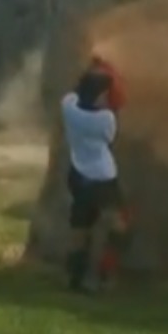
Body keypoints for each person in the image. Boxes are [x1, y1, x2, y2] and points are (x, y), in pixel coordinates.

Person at [62, 58, 125, 294]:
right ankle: (103, 277)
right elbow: (111, 136)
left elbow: (75, 93)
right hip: (103, 180)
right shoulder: (105, 120)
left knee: (80, 229)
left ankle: (74, 279)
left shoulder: (68, 107)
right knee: (117, 227)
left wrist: (91, 71)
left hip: (77, 176)